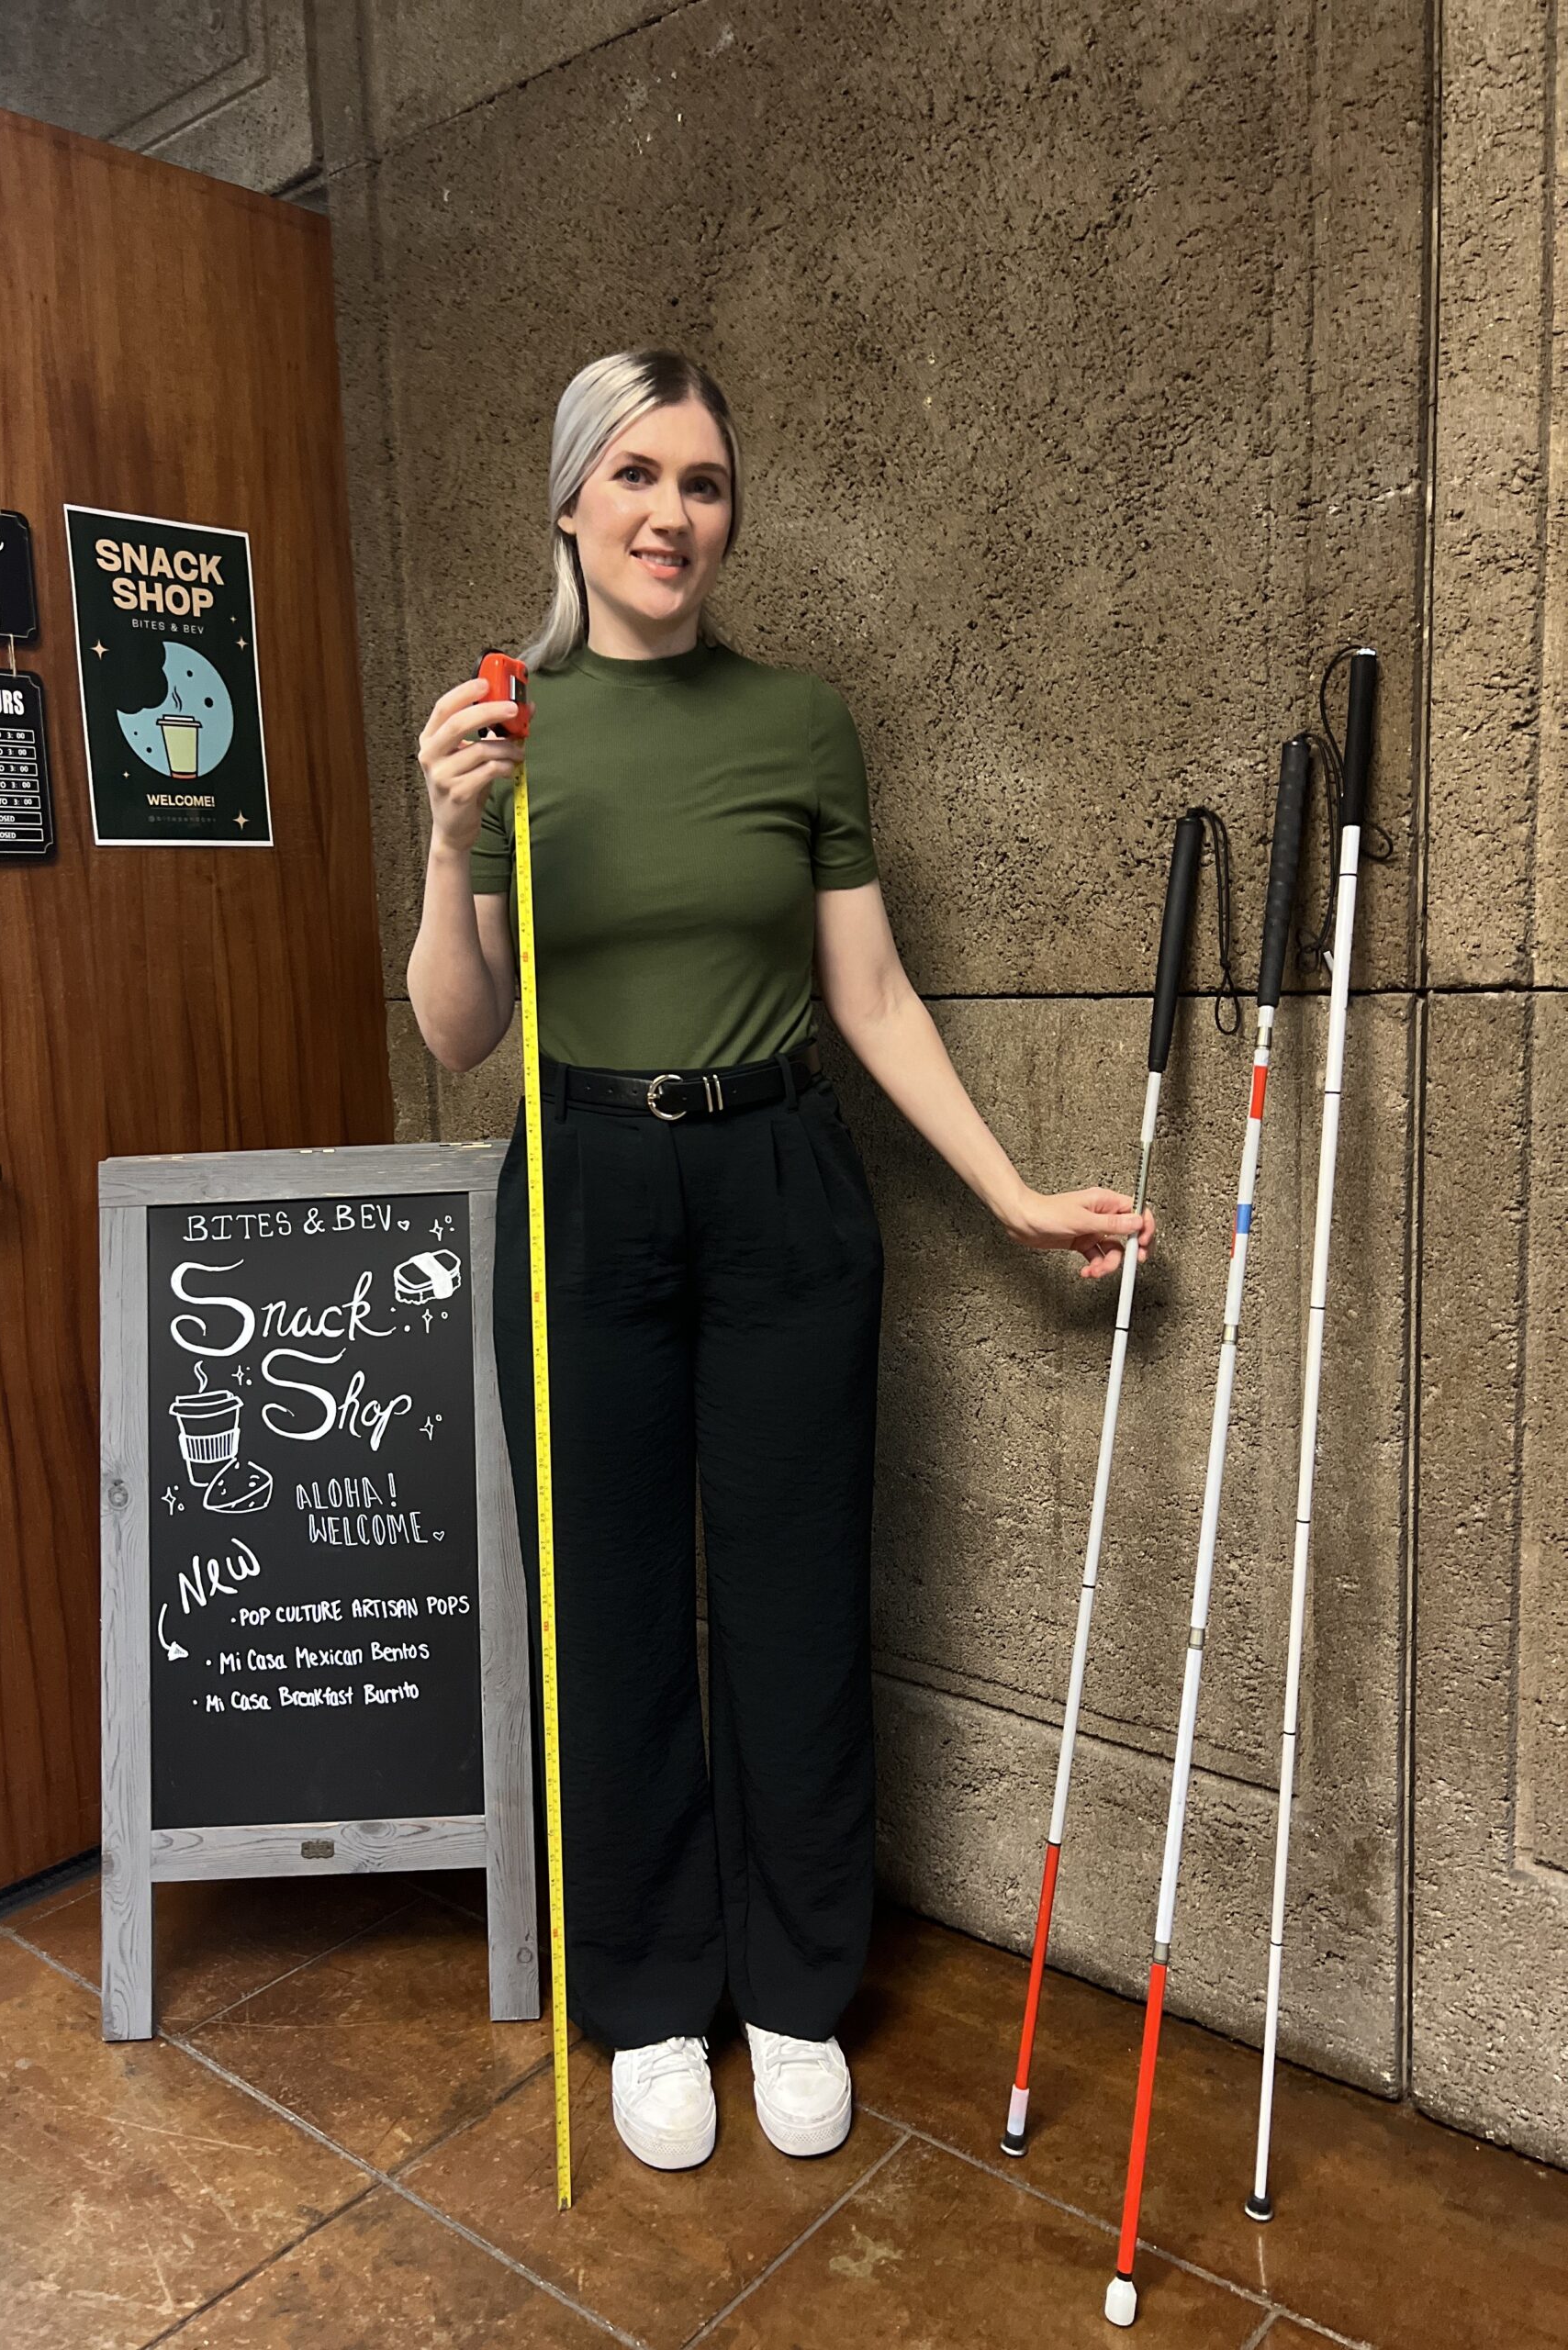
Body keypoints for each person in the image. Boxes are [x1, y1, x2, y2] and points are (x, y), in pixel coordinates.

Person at [406, 347, 1154, 2174]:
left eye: (708, 481)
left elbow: (870, 990)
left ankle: (795, 1984)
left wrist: (1004, 1190)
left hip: (782, 1178)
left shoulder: (802, 722)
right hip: (583, 1176)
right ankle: (657, 1994)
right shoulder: (501, 725)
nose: (675, 513)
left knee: (803, 1595)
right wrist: (444, 843)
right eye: (640, 474)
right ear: (571, 496)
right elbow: (453, 1036)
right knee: (613, 1603)